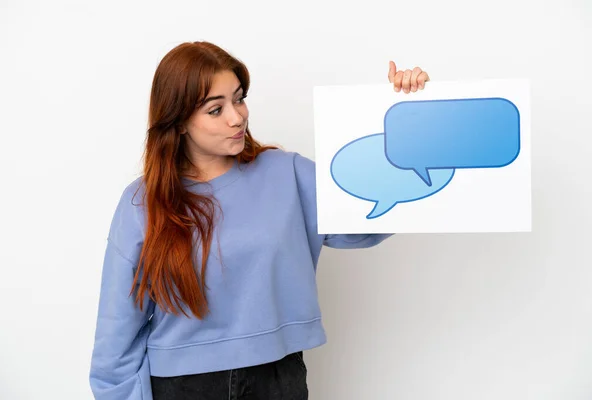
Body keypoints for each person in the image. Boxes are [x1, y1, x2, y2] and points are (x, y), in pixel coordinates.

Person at [89, 41, 430, 400]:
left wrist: (407, 111)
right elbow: (117, 333)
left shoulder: (287, 173)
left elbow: (368, 218)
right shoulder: (142, 203)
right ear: (180, 122)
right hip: (181, 387)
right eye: (215, 109)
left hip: (278, 378)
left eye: (238, 98)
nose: (237, 117)